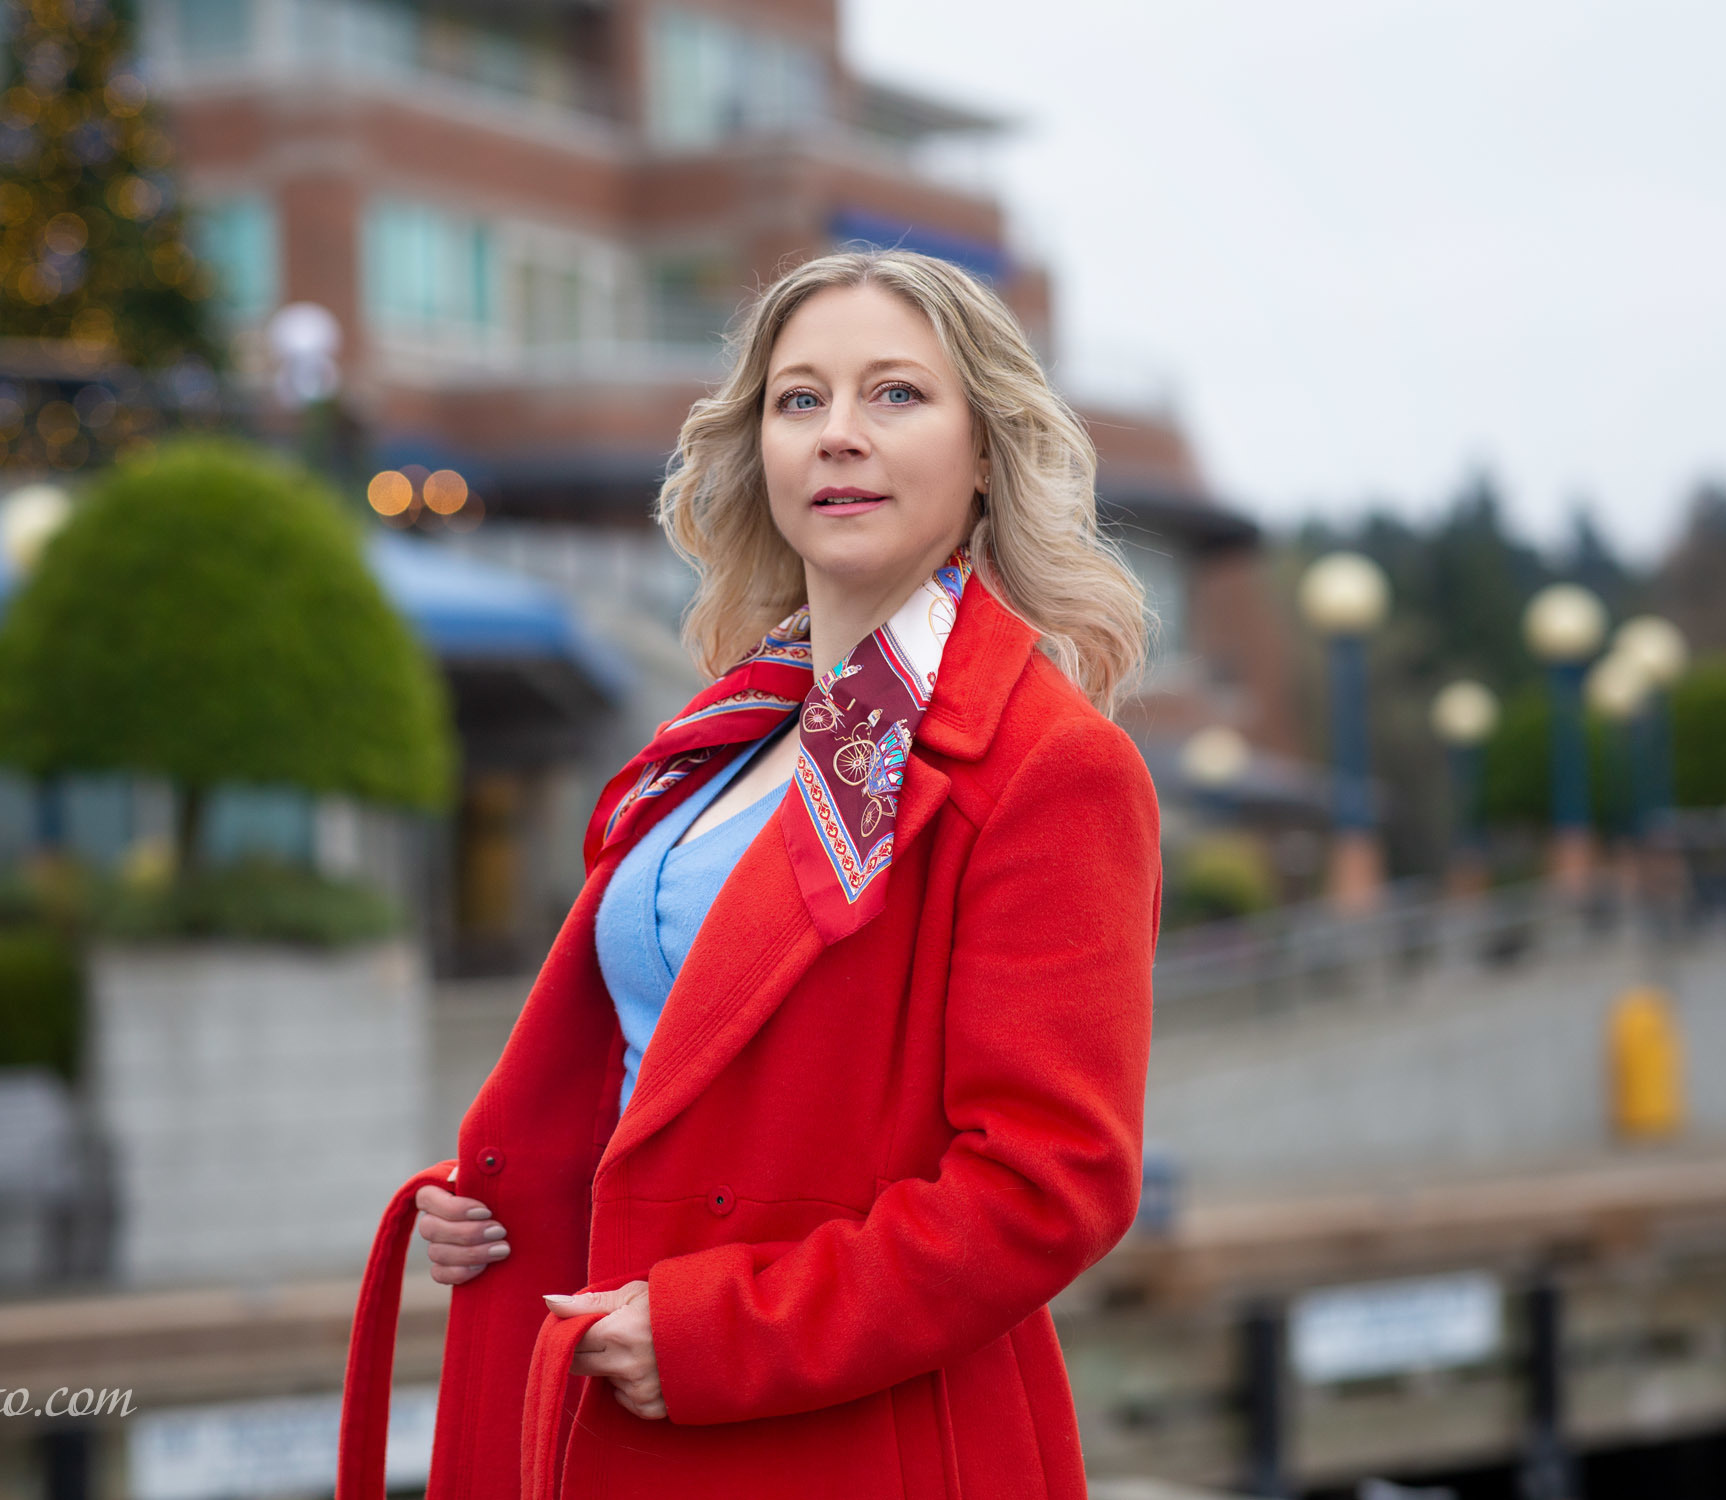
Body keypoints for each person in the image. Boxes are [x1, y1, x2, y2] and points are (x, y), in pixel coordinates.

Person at [337, 248, 1160, 1500]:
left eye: (895, 395)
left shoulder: (1048, 765)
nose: (839, 435)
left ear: (985, 450)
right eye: (799, 400)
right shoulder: (743, 729)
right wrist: (511, 1194)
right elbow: (665, 1064)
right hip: (617, 1399)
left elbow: (1050, 1186)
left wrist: (727, 1332)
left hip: (837, 1435)